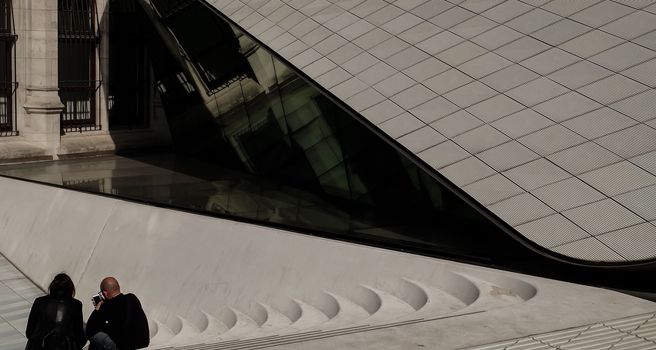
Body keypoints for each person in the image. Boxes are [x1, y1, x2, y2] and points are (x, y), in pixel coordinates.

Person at [25, 273, 86, 350]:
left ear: (52, 287)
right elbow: (79, 336)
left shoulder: (39, 301)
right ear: (71, 289)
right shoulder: (76, 304)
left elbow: (29, 332)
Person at [86, 277, 149, 350]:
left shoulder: (106, 307)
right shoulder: (132, 298)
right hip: (141, 343)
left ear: (105, 293)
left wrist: (97, 309)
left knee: (91, 332)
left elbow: (89, 330)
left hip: (123, 346)